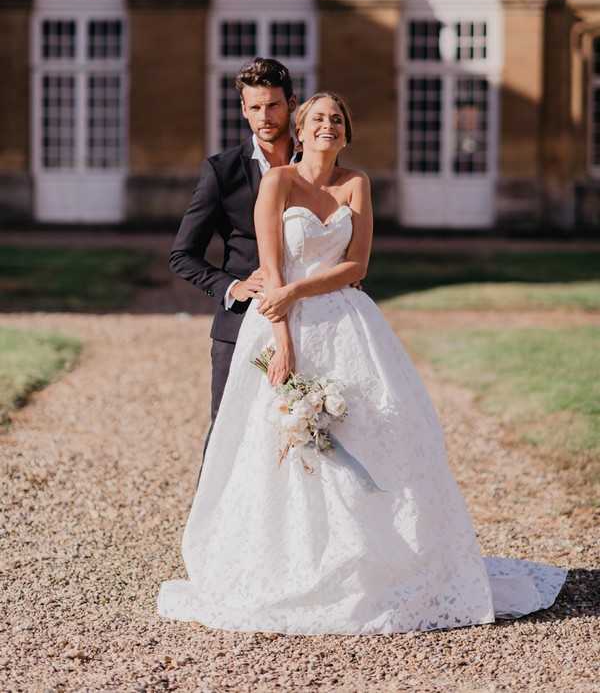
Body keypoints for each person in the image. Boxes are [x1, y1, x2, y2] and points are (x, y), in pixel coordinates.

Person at [158, 92, 567, 635]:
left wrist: (302, 288)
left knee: (373, 430)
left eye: (337, 120)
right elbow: (271, 270)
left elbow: (357, 265)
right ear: (299, 131)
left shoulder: (357, 184)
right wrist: (282, 341)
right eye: (318, 118)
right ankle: (289, 561)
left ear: (346, 133)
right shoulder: (277, 183)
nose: (327, 126)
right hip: (282, 323)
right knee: (279, 444)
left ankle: (380, 561)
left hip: (347, 322)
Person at [168, 57, 299, 484]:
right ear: (243, 109)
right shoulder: (221, 171)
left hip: (312, 320)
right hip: (241, 324)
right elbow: (182, 255)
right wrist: (233, 286)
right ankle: (209, 539)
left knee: (307, 428)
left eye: (274, 106)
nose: (265, 117)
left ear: (291, 105)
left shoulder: (316, 166)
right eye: (255, 107)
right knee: (229, 431)